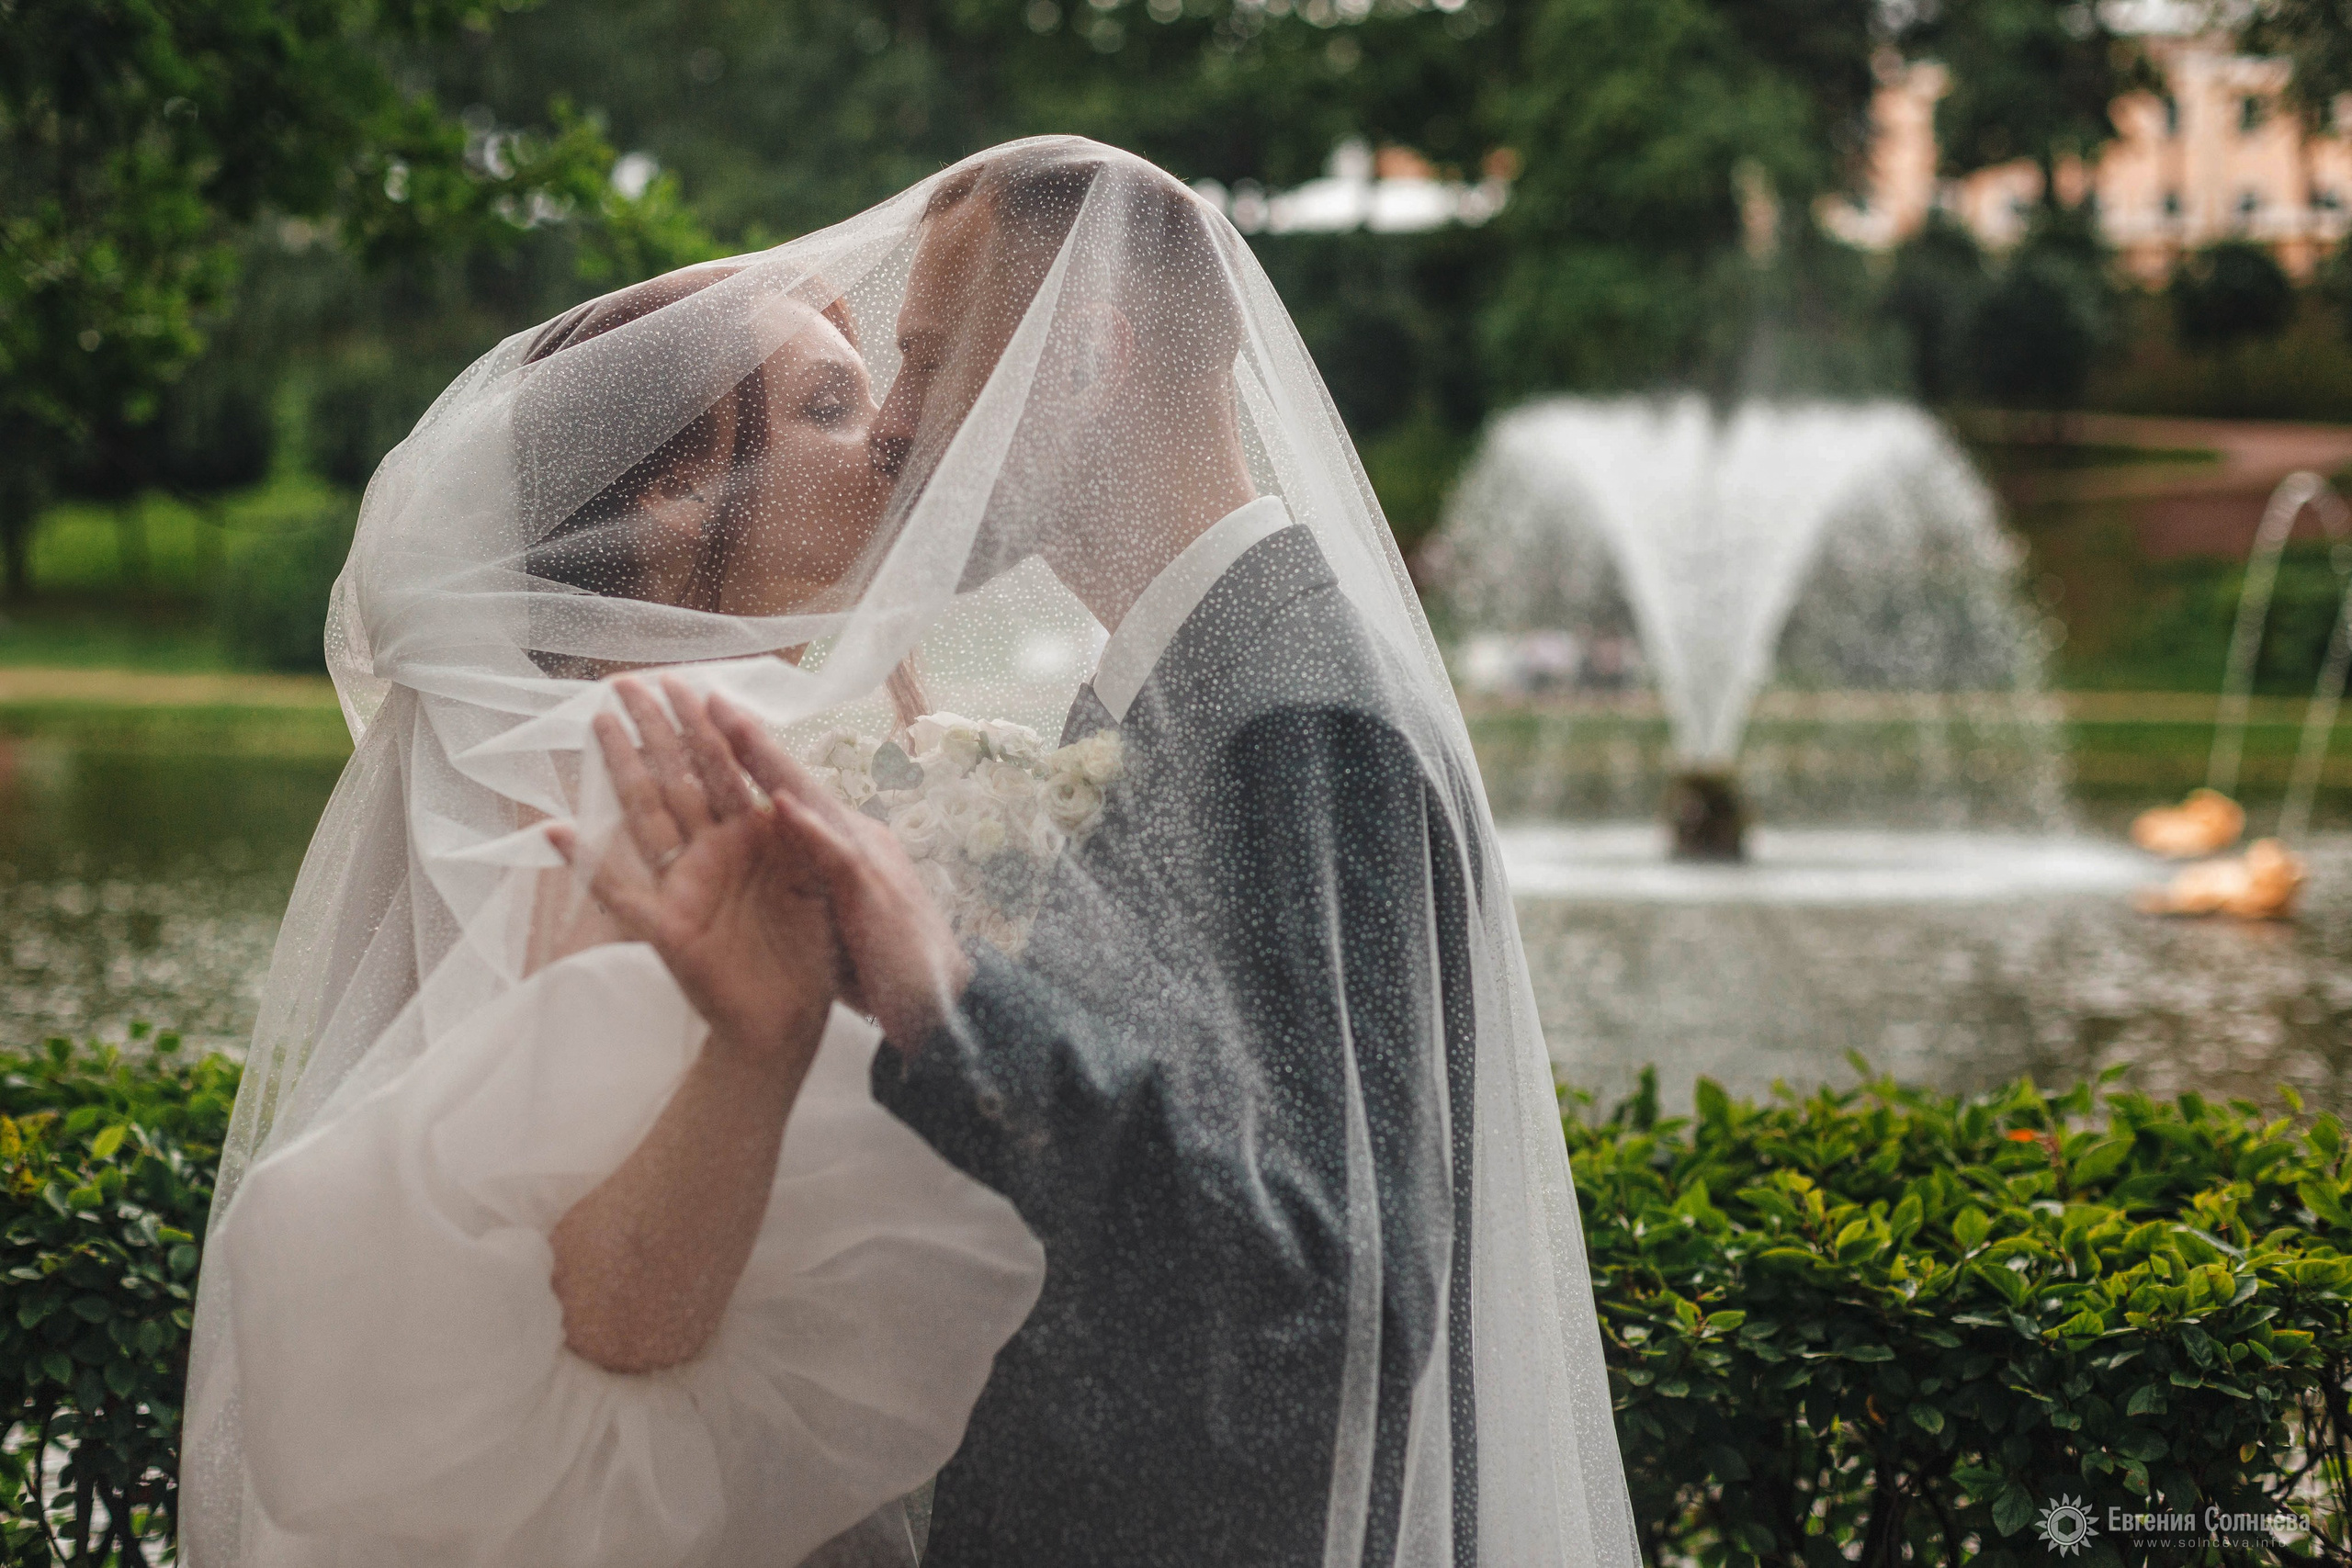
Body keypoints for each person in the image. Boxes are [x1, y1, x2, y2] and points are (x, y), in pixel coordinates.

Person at [577, 139, 1640, 1565]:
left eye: (930, 362)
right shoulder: (1165, 683)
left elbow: (1328, 1280)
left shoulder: (1295, 713)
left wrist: (945, 989)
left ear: (1086, 360)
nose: (889, 430)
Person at [181, 259, 1044, 1568]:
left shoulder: (592, 740)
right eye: (826, 408)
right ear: (679, 496)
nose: (887, 446)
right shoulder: (655, 776)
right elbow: (617, 1309)